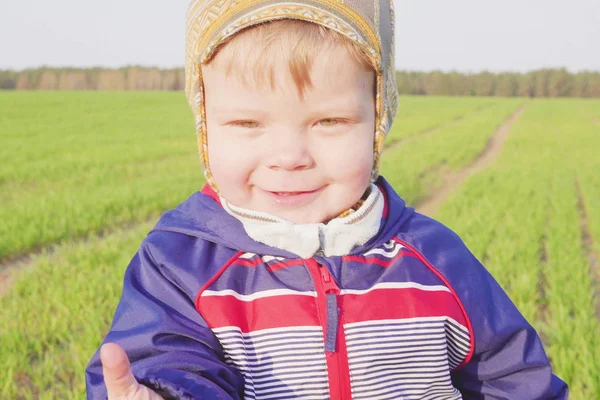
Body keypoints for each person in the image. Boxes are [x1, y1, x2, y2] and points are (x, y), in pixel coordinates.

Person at [85, 1, 569, 399]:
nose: (289, 157)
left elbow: (513, 377)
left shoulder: (435, 259)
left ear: (378, 121)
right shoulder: (180, 264)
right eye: (248, 124)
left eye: (329, 122)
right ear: (205, 128)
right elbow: (165, 358)